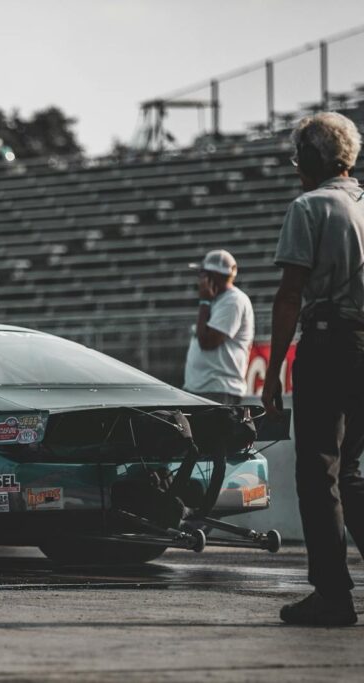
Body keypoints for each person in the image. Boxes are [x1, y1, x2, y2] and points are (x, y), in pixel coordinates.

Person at [261, 111, 364, 627]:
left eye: (299, 156)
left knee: (317, 469)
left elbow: (289, 295)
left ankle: (332, 593)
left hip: (329, 344)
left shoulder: (310, 206)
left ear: (313, 159)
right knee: (352, 472)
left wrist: (274, 369)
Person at [182, 249, 255, 404]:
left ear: (213, 275)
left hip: (218, 390)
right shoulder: (219, 299)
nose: (199, 279)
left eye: (202, 274)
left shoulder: (233, 301)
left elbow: (208, 342)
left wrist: (204, 302)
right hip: (205, 389)